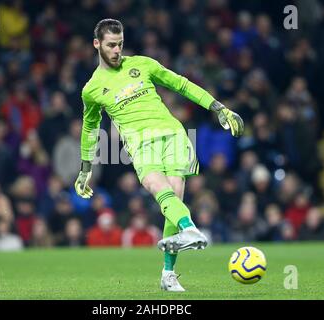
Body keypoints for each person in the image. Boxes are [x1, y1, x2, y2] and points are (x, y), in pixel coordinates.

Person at [74, 19, 244, 292]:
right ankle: (189, 228)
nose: (117, 50)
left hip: (174, 135)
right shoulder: (92, 89)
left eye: (120, 44)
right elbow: (90, 129)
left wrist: (218, 107)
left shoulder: (142, 64)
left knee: (173, 199)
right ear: (97, 45)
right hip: (141, 144)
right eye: (110, 45)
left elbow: (182, 84)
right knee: (158, 188)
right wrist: (85, 169)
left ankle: (168, 274)